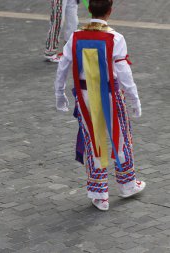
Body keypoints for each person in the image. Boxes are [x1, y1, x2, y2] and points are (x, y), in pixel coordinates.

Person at [54, 0, 145, 211]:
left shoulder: (76, 37)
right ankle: (127, 184)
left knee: (92, 140)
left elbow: (63, 68)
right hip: (112, 95)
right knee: (121, 135)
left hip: (85, 96)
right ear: (110, 11)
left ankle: (99, 193)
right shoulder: (115, 38)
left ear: (89, 9)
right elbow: (124, 73)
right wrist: (134, 99)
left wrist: (59, 94)